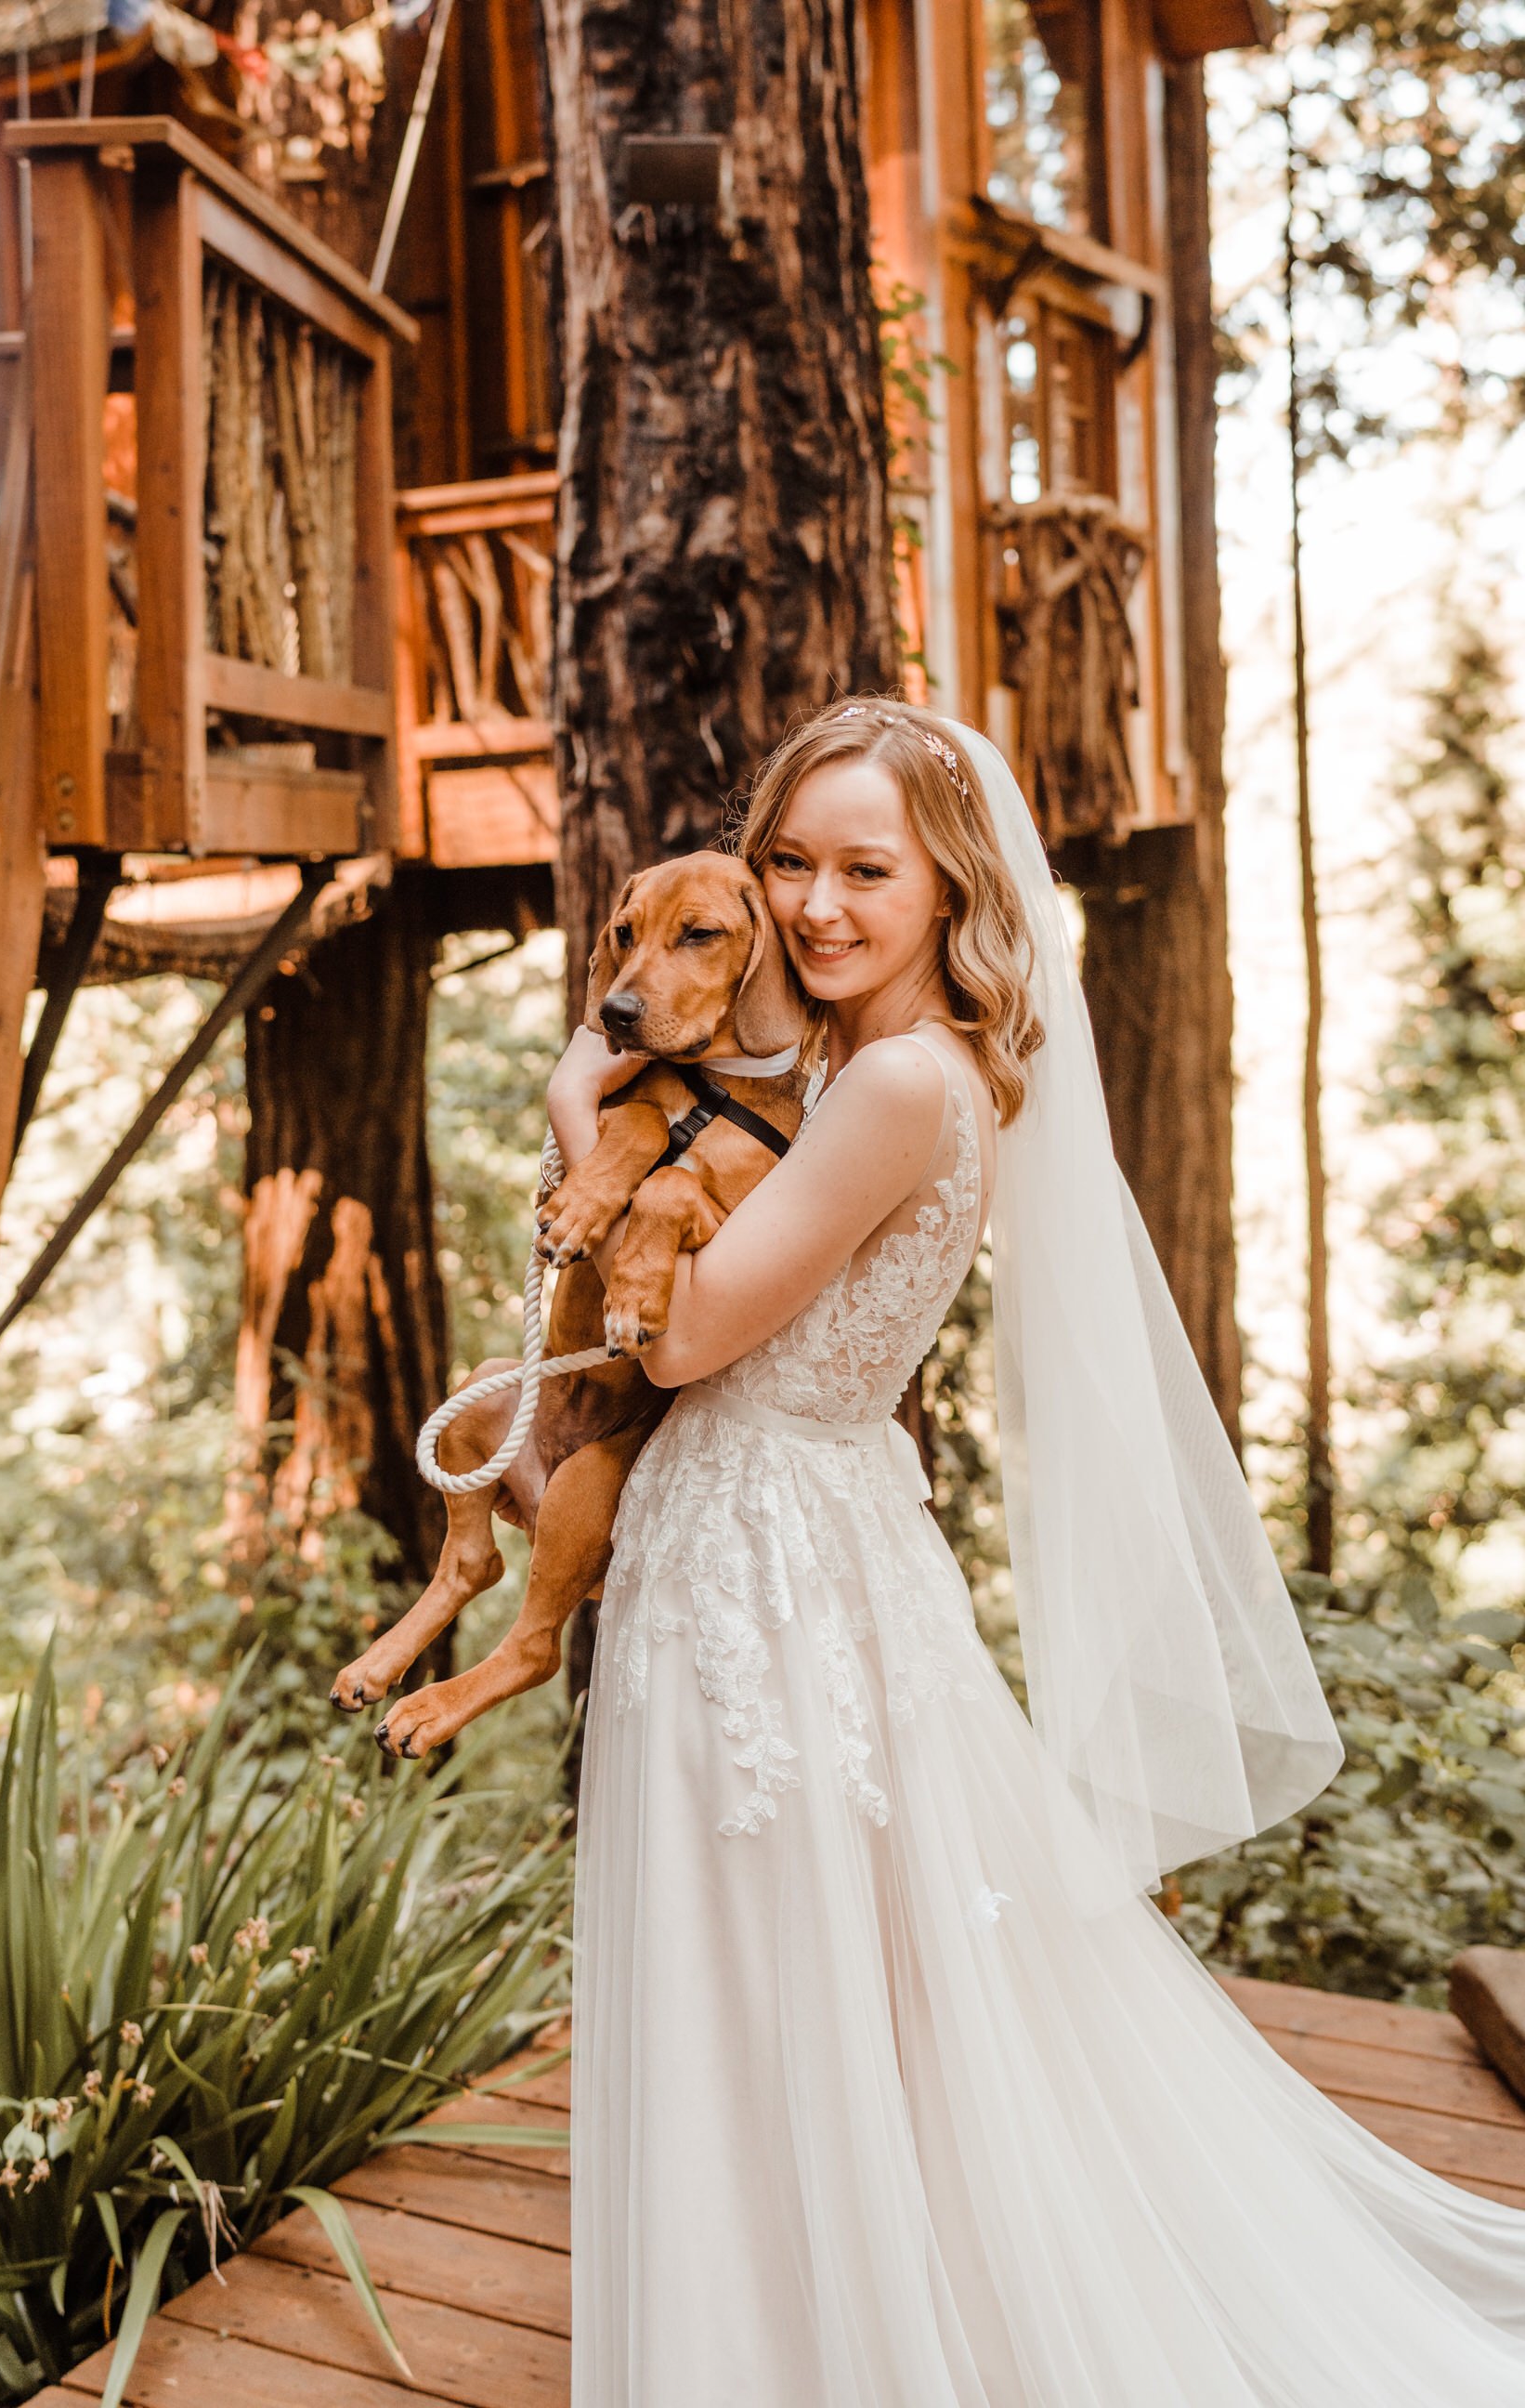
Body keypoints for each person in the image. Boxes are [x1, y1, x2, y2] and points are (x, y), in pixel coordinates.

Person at [544, 698, 1525, 2406]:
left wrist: (581, 1114)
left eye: (869, 868)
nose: (818, 903)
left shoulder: (899, 1085)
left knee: (776, 1973)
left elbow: (687, 1337)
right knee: (814, 1980)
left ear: (953, 885)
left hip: (776, 1571)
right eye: (790, 861)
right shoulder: (877, 1064)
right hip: (795, 1546)